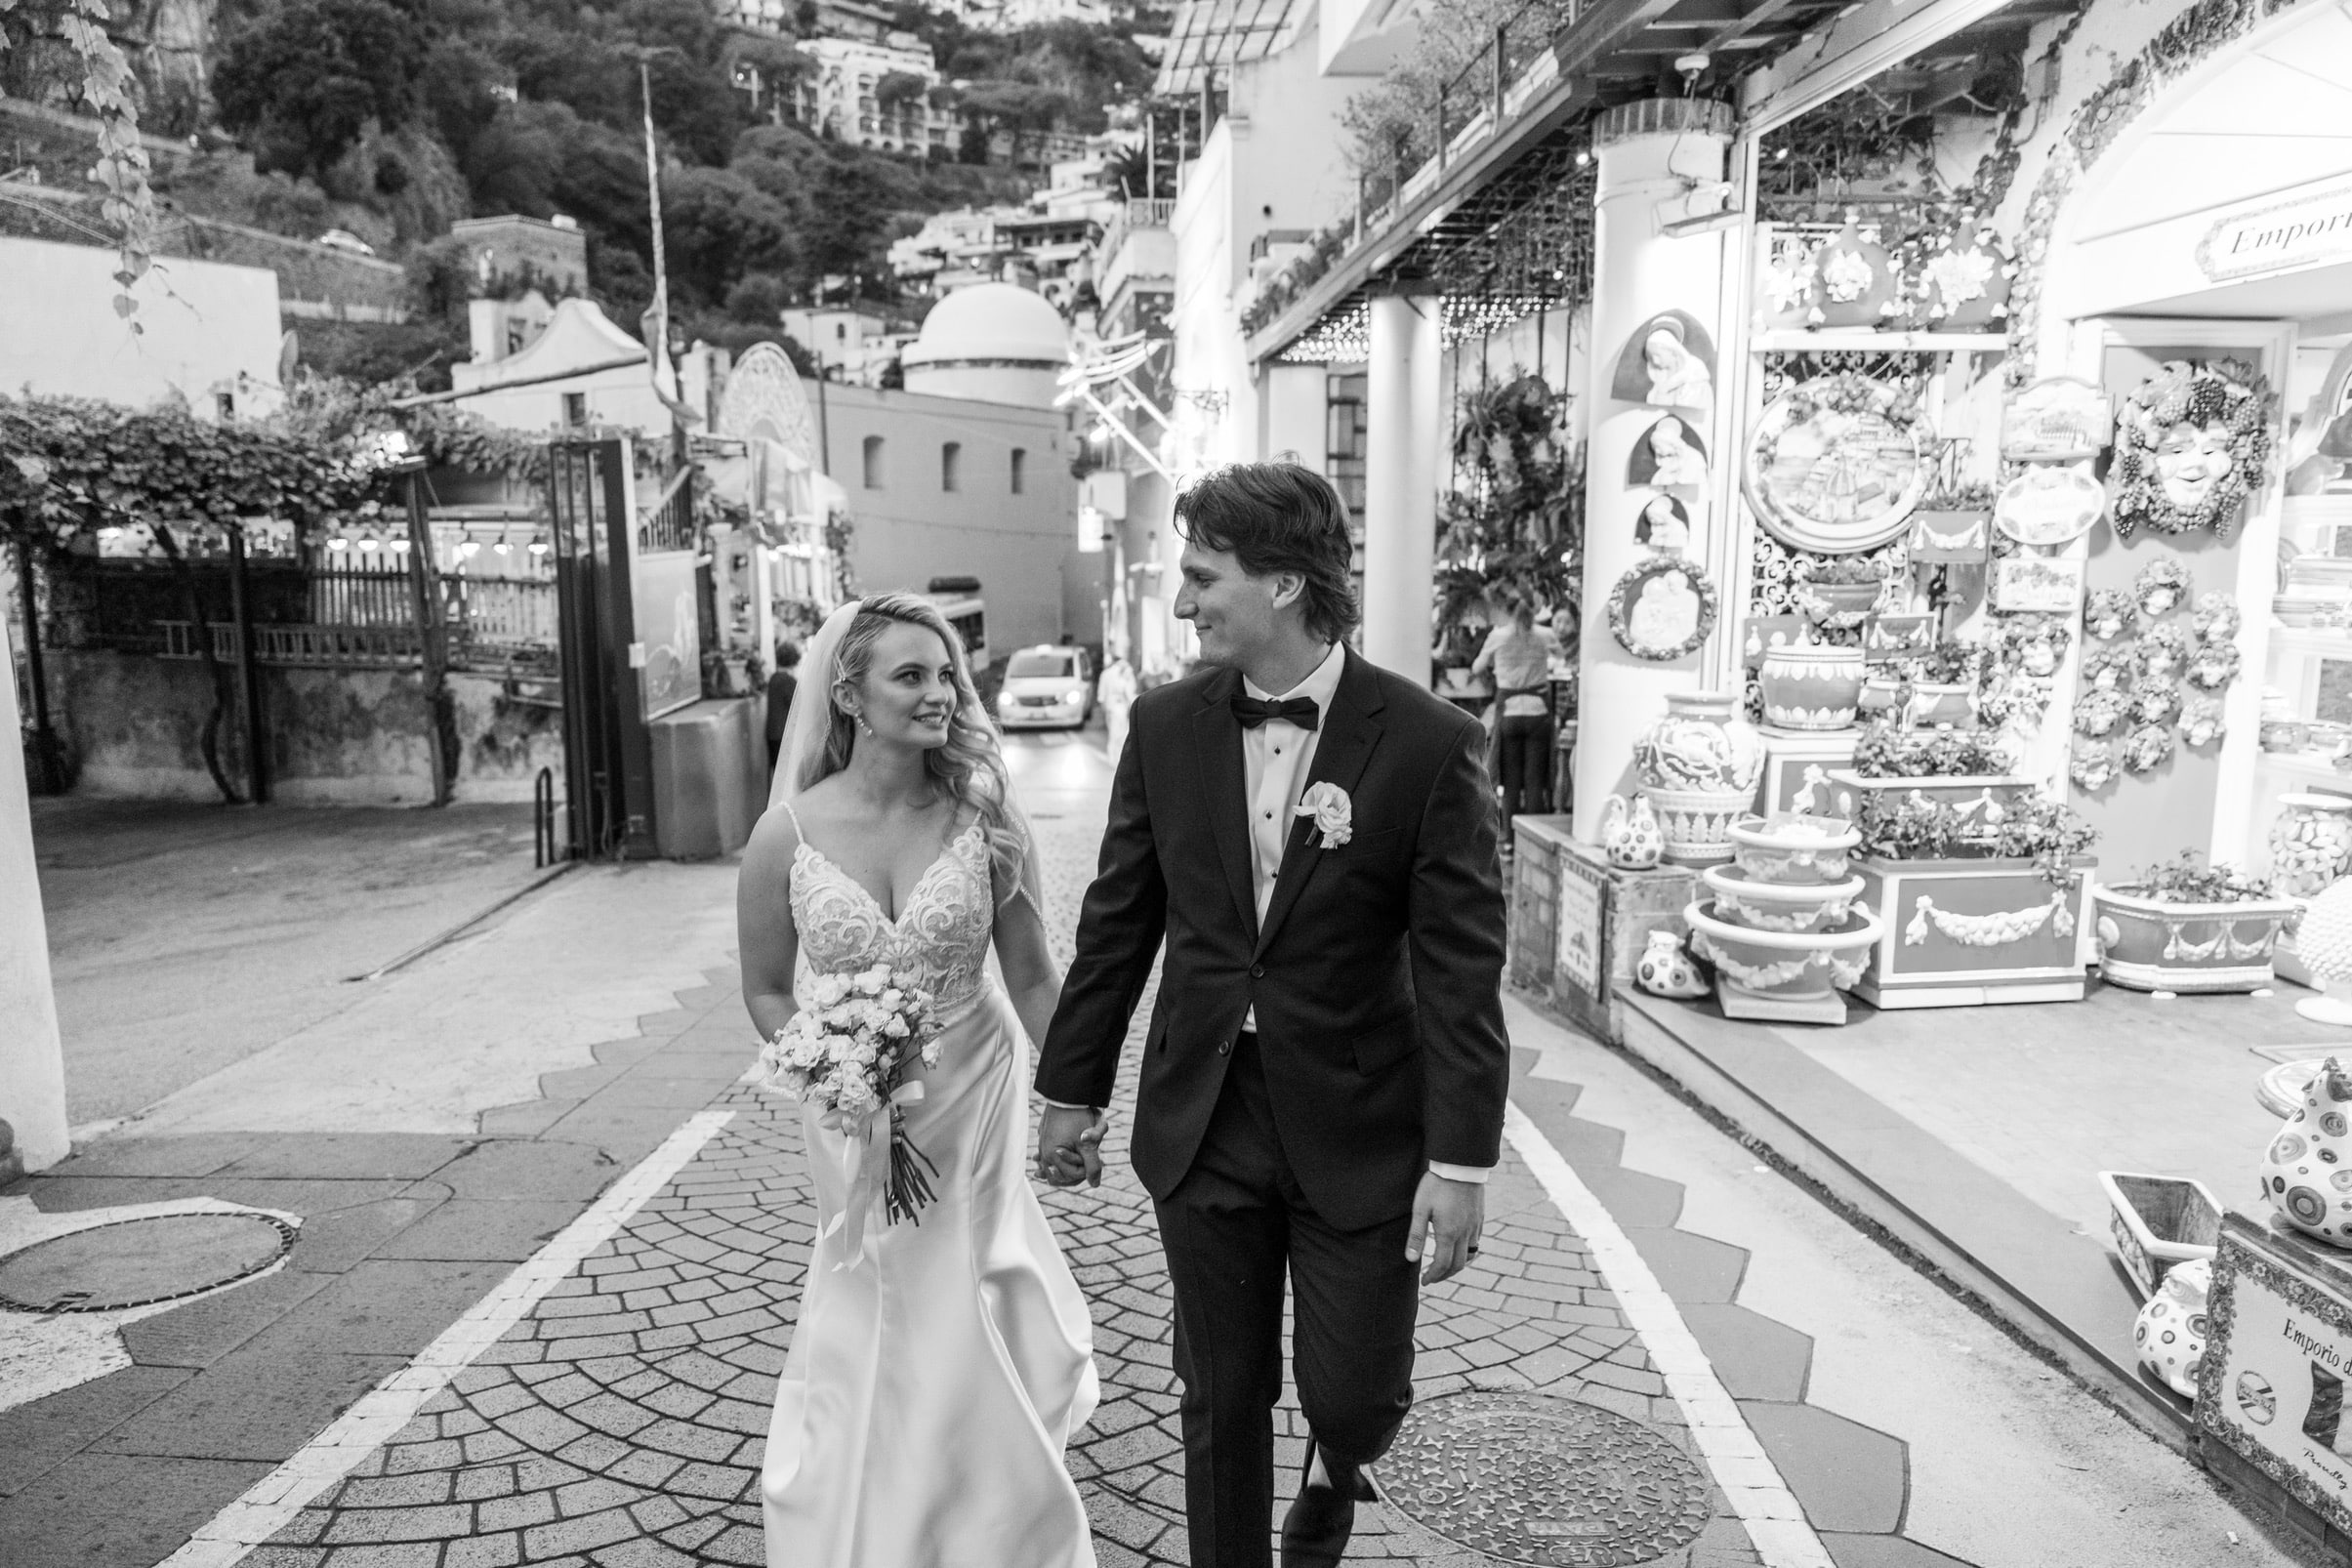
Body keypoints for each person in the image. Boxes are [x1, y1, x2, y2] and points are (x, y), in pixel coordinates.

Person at [1034, 462, 1510, 1568]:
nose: (1185, 598)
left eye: (1204, 576)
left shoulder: (1431, 743)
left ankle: (1339, 1461)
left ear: (1287, 583)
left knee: (1350, 1394)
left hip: (1360, 1120)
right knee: (1220, 1393)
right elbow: (1118, 924)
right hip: (1206, 1115)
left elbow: (1459, 971)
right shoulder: (1161, 728)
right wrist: (1071, 1091)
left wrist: (1462, 1159)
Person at [737, 593, 1099, 1568]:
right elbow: (767, 990)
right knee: (872, 1277)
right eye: (912, 675)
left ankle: (985, 1510)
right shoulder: (785, 834)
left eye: (946, 674)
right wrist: (834, 1063)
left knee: (957, 1274)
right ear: (848, 693)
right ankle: (871, 1494)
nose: (941, 692)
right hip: (847, 1105)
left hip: (971, 1082)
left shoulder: (985, 818)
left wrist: (1074, 1096)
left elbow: (1028, 973)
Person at [1471, 595, 1560, 822]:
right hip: (1538, 712)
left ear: (1507, 611)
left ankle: (1509, 840)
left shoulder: (1498, 636)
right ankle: (1530, 836)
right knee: (1534, 780)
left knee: (1510, 780)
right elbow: (1562, 658)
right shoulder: (1545, 635)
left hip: (1510, 713)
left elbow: (1476, 667)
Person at [762, 640, 801, 775]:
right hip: (784, 734)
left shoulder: (774, 678)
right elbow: (798, 706)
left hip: (772, 733)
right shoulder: (789, 681)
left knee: (776, 771)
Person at [1097, 653, 1138, 763]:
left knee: (1114, 733)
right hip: (1120, 706)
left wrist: (1104, 709)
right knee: (1120, 734)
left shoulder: (1106, 674)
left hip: (1113, 707)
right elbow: (1130, 691)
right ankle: (1117, 758)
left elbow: (1101, 695)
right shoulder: (1124, 673)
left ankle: (1114, 758)